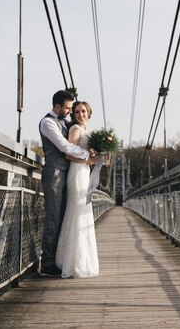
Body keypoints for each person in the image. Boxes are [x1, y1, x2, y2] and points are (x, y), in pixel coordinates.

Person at [38, 90, 96, 277]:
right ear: (57, 106)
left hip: (68, 173)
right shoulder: (48, 123)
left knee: (64, 218)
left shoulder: (68, 123)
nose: (71, 112)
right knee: (54, 219)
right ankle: (47, 264)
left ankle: (59, 259)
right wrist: (89, 157)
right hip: (54, 173)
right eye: (68, 108)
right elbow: (65, 147)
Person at [55, 101, 100, 278]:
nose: (80, 114)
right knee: (77, 210)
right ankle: (73, 262)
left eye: (83, 111)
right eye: (77, 112)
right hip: (77, 173)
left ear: (89, 113)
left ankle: (80, 259)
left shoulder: (87, 131)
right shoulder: (75, 129)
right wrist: (89, 160)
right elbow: (69, 154)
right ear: (73, 115)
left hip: (84, 173)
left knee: (83, 211)